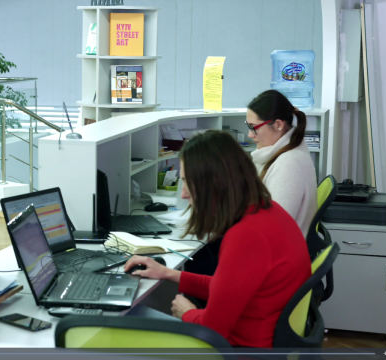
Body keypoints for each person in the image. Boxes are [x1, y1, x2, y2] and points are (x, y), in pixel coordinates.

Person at [123, 130, 311, 348]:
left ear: (214, 184)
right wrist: (169, 274)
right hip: (263, 338)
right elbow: (229, 289)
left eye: (187, 182)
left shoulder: (246, 236)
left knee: (126, 323)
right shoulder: (267, 211)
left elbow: (212, 330)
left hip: (240, 349)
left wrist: (188, 313)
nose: (183, 194)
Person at [246, 90, 317, 237]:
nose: (250, 135)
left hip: (277, 253)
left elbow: (272, 228)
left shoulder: (288, 164)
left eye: (254, 127)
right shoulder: (288, 153)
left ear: (278, 125)